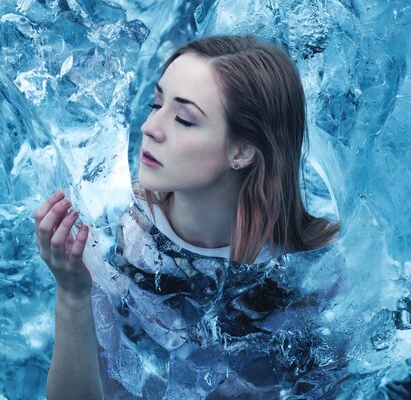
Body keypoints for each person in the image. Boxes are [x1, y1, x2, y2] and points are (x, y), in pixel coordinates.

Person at [35, 35, 339, 399]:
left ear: (242, 151)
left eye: (183, 118)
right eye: (156, 103)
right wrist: (71, 291)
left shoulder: (306, 274)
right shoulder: (117, 231)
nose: (149, 128)